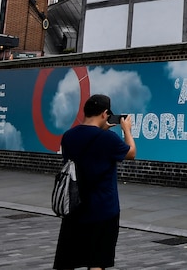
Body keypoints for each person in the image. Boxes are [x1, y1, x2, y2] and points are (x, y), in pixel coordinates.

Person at [53, 94, 136, 270]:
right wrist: (126, 129)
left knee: (69, 259)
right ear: (105, 114)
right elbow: (131, 152)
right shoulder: (109, 139)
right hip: (103, 209)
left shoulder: (68, 136)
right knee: (97, 261)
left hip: (74, 206)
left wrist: (101, 129)